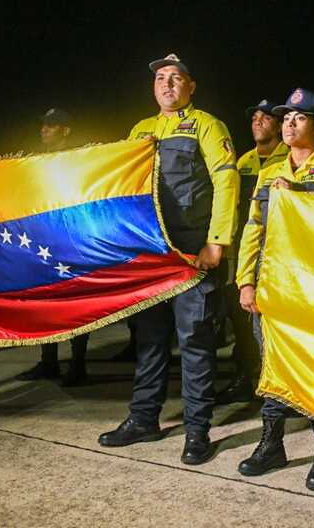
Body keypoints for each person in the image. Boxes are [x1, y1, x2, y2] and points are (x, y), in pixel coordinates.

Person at [98, 54, 239, 467]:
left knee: (195, 340)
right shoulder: (141, 130)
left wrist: (217, 242)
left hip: (193, 252)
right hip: (151, 254)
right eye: (160, 78)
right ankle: (144, 419)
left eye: (176, 78)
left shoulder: (208, 126)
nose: (167, 85)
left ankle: (197, 431)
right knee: (149, 338)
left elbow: (226, 180)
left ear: (190, 86)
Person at [235, 87, 314, 491]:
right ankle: (271, 445)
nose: (289, 122)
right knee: (272, 366)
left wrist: (297, 194)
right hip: (272, 285)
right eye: (286, 116)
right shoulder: (268, 172)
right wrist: (245, 281)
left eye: (300, 118)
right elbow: (254, 228)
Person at [216, 99, 289, 404]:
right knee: (240, 319)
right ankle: (245, 377)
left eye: (265, 117)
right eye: (254, 117)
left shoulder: (292, 159)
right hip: (244, 249)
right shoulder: (243, 161)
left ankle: (279, 387)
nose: (257, 121)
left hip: (280, 255)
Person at [15, 108, 90, 387]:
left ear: (65, 130)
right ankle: (49, 362)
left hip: (70, 237)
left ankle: (78, 364)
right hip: (42, 238)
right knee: (46, 301)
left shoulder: (80, 157)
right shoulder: (37, 159)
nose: (44, 130)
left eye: (51, 126)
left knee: (75, 303)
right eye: (43, 125)